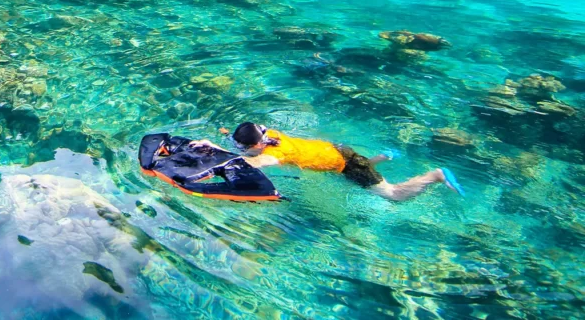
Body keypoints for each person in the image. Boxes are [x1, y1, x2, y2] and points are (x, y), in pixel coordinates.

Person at [190, 122, 464, 202]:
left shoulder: (273, 155)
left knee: (393, 195)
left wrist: (212, 148)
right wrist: (218, 140)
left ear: (256, 145)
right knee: (356, 166)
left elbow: (246, 164)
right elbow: (245, 150)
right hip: (336, 150)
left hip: (344, 163)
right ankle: (382, 157)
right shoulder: (269, 134)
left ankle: (436, 175)